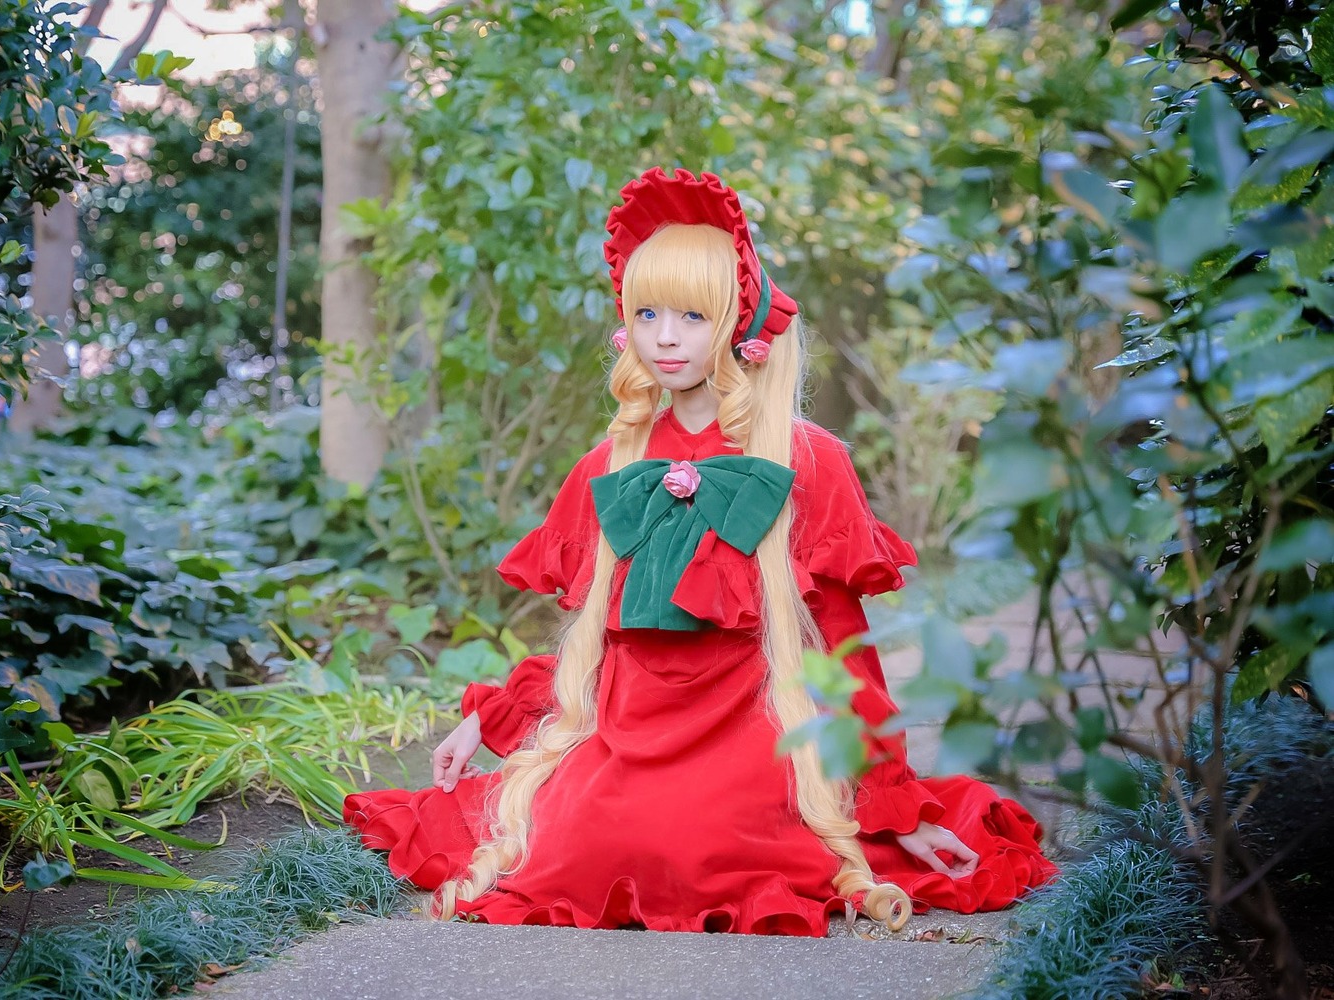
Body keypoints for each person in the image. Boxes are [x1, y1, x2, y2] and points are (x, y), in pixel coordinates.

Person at [343, 167, 1058, 936]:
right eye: (646, 313)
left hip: (749, 731)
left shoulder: (808, 460)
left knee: (700, 848)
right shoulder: (608, 465)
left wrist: (891, 799)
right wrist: (486, 724)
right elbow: (588, 644)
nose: (667, 336)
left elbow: (847, 649)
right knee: (583, 849)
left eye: (692, 314)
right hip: (626, 733)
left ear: (738, 322)